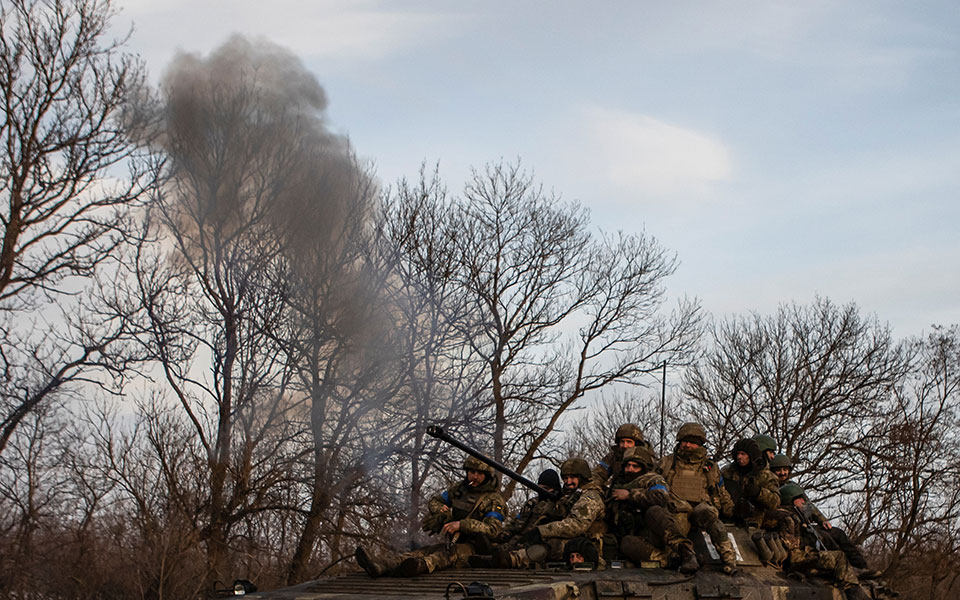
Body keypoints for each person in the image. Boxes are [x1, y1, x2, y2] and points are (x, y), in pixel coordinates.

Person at [354, 455, 506, 577]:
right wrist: (441, 511)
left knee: (445, 556)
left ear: (487, 475)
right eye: (471, 472)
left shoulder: (494, 500)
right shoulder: (459, 490)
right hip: (455, 543)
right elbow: (435, 501)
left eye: (480, 473)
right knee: (424, 551)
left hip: (477, 551)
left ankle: (418, 567)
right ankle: (382, 565)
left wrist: (462, 525)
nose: (474, 476)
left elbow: (493, 530)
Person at [657, 422, 739, 574]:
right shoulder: (667, 463)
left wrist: (732, 511)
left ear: (700, 444)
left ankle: (729, 559)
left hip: (701, 507)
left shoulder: (710, 467)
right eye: (685, 441)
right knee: (676, 528)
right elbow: (654, 484)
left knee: (714, 521)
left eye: (692, 442)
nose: (687, 445)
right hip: (676, 509)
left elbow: (720, 491)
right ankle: (684, 558)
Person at [495, 457, 606, 569]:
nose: (568, 482)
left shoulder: (591, 497)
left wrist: (541, 531)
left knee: (553, 544)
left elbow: (577, 525)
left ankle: (515, 559)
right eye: (565, 478)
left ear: (582, 478)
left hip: (587, 547)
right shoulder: (568, 497)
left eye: (573, 478)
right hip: (570, 541)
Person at [606, 446, 699, 574]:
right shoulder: (617, 486)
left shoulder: (653, 479)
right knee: (626, 543)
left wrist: (630, 495)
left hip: (661, 533)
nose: (630, 469)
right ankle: (670, 561)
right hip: (642, 538)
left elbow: (660, 497)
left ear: (644, 467)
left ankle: (686, 553)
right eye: (627, 466)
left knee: (654, 511)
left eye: (635, 466)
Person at [771, 457, 870, 572]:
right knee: (825, 538)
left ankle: (862, 567)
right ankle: (846, 569)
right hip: (793, 530)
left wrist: (822, 520)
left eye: (785, 469)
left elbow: (808, 507)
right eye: (778, 470)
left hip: (805, 524)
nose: (782, 473)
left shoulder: (793, 486)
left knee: (838, 533)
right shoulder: (771, 487)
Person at [779, 484, 871, 600]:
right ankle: (855, 595)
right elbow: (792, 549)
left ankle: (855, 574)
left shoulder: (797, 516)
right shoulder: (789, 519)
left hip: (801, 555)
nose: (804, 502)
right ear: (790, 501)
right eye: (800, 499)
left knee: (833, 545)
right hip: (796, 557)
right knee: (839, 557)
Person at [721, 438, 782, 528]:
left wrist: (758, 492)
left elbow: (775, 502)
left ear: (751, 455)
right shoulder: (727, 472)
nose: (739, 457)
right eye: (738, 454)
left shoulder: (765, 475)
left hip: (754, 521)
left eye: (743, 454)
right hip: (726, 517)